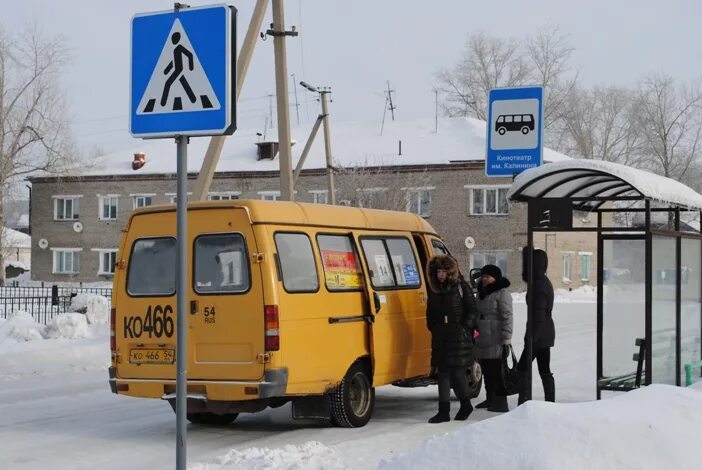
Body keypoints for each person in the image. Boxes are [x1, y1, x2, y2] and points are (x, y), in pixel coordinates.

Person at [425, 255, 478, 423]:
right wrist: (433, 326)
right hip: (441, 334)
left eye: (443, 271)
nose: (440, 274)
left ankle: (462, 405)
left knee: (456, 371)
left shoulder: (461, 286)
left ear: (450, 272)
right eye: (438, 271)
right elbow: (430, 312)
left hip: (457, 333)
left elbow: (472, 310)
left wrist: (464, 327)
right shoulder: (434, 289)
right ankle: (446, 410)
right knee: (444, 372)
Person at [473, 264, 513, 412]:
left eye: (488, 277)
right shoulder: (481, 293)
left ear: (495, 278)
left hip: (496, 337)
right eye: (483, 276)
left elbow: (507, 316)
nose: (484, 279)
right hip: (482, 337)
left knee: (497, 371)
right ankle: (490, 398)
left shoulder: (502, 293)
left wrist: (507, 337)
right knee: (486, 370)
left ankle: (501, 402)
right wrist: (475, 334)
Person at [518, 248, 555, 404]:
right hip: (543, 333)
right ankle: (549, 402)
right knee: (544, 369)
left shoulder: (539, 285)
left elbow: (539, 313)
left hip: (538, 334)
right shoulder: (541, 282)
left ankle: (524, 400)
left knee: (522, 369)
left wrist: (533, 337)